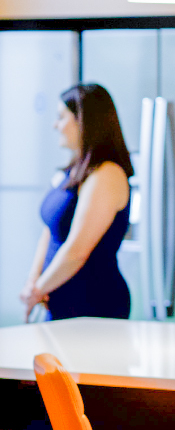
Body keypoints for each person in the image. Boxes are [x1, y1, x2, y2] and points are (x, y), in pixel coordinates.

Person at [20, 84, 133, 322]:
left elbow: (77, 251)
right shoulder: (73, 172)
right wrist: (34, 281)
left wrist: (38, 290)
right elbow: (49, 231)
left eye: (61, 118)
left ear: (83, 121)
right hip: (58, 298)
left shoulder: (106, 174)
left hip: (92, 304)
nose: (55, 126)